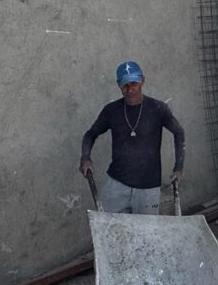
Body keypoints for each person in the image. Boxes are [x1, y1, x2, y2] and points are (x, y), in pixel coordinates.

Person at [79, 61, 185, 214]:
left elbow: (179, 132)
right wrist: (85, 158)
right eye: (125, 85)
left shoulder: (158, 109)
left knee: (145, 234)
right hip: (116, 185)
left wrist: (178, 168)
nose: (130, 89)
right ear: (118, 85)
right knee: (112, 232)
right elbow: (90, 134)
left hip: (148, 189)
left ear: (142, 80)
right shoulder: (111, 111)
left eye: (134, 83)